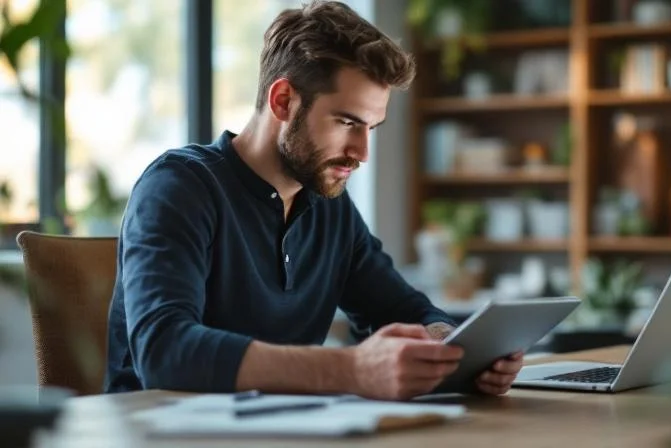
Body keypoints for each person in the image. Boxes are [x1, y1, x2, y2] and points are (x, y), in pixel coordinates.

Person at [103, 0, 523, 400]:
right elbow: (164, 352)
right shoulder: (179, 187)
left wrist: (452, 349)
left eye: (371, 128)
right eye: (346, 122)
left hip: (283, 432)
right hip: (160, 432)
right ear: (283, 100)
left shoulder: (329, 205)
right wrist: (352, 370)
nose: (361, 152)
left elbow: (400, 308)